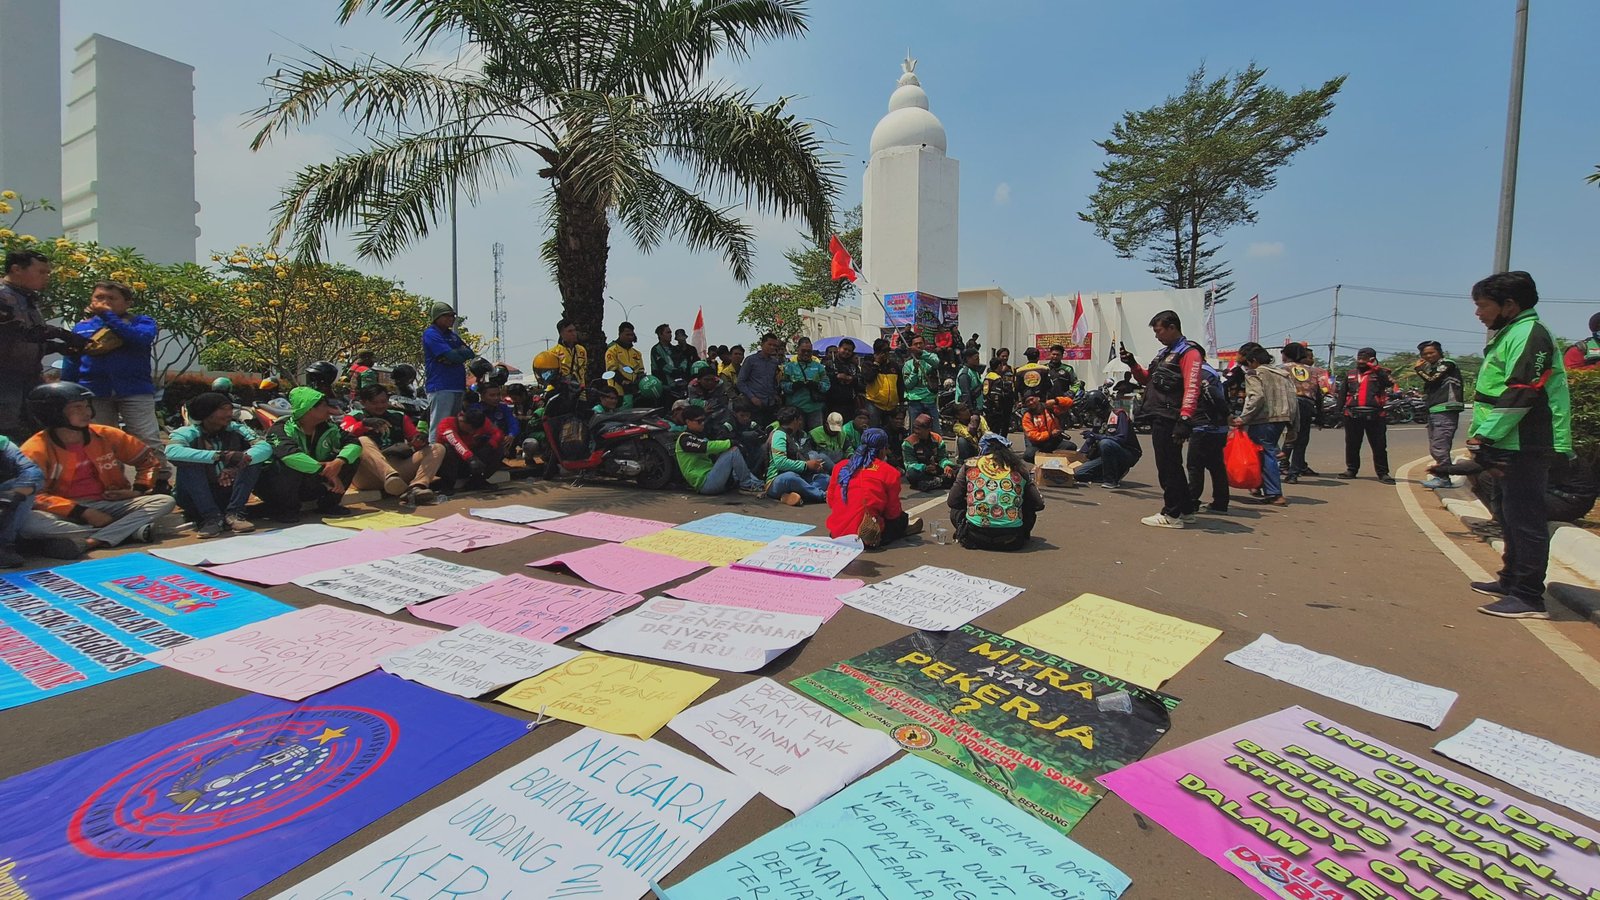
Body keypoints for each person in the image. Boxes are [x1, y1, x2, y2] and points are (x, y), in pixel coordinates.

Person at [1466, 271, 1571, 619]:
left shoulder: (1530, 334)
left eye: (1483, 305)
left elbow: (1523, 390)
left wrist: (1485, 435)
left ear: (1509, 305)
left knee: (1526, 518)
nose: (1478, 313)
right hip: (1509, 439)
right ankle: (1510, 579)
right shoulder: (1513, 332)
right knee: (1508, 513)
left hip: (1526, 441)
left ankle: (1529, 596)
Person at [18, 382, 175, 550]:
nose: (87, 412)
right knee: (29, 523)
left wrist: (138, 490)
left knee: (164, 501)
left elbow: (147, 461)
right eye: (77, 407)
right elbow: (33, 495)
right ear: (53, 412)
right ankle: (126, 532)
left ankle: (90, 541)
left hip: (110, 503)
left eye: (87, 406)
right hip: (64, 509)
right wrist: (83, 512)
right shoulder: (34, 449)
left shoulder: (106, 434)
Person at [63, 280, 170, 489]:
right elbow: (72, 360)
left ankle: (159, 480)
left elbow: (139, 339)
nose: (104, 302)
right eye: (99, 298)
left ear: (127, 303)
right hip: (94, 392)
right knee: (101, 440)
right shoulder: (82, 327)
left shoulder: (142, 322)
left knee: (146, 437)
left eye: (111, 298)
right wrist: (68, 390)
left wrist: (108, 317)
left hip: (135, 391)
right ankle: (113, 483)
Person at [1121, 310, 1204, 529]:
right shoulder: (1165, 354)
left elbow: (1192, 388)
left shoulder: (1189, 353)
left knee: (1168, 467)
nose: (1157, 336)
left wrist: (1185, 418)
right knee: (1172, 464)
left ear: (1172, 327)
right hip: (1159, 415)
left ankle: (1171, 514)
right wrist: (1132, 364)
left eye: (1159, 331)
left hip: (1171, 417)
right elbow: (1147, 380)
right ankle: (1186, 510)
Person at [1, 251, 89, 441]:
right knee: (7, 429)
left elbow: (24, 342)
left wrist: (57, 347)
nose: (46, 276)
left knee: (40, 426)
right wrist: (62, 335)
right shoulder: (3, 295)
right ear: (16, 269)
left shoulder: (26, 297)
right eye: (41, 272)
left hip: (29, 374)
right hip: (5, 377)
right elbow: (17, 331)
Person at [166, 392, 271, 537]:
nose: (229, 413)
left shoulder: (236, 428)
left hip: (227, 492)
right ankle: (211, 518)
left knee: (252, 461)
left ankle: (234, 514)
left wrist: (236, 465)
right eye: (222, 409)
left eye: (230, 409)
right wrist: (220, 456)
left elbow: (265, 447)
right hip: (194, 497)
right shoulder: (187, 432)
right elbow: (172, 451)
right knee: (190, 464)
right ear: (206, 413)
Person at [259, 386, 365, 521]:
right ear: (309, 409)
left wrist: (339, 462)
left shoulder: (329, 427)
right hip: (278, 487)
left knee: (350, 459)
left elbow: (354, 443)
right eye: (324, 406)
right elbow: (290, 456)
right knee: (284, 465)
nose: (329, 410)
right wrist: (325, 470)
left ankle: (329, 504)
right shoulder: (281, 428)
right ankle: (286, 509)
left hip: (312, 481)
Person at [342, 384, 443, 505]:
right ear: (363, 402)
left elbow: (414, 438)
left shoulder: (399, 416)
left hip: (398, 468)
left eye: (383, 402)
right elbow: (342, 435)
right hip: (367, 474)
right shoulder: (353, 416)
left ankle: (417, 487)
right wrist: (363, 424)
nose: (380, 406)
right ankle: (390, 477)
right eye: (375, 403)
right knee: (362, 441)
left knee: (437, 448)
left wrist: (420, 439)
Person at [947, 432, 1044, 551]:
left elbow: (952, 501)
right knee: (1028, 506)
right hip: (1012, 540)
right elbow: (1038, 504)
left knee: (955, 509)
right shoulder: (1019, 468)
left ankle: (964, 531)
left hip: (974, 537)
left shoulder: (970, 464)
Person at [826, 427, 917, 548]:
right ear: (883, 449)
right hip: (868, 534)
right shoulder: (889, 472)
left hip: (837, 532)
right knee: (901, 519)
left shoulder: (840, 466)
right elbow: (892, 513)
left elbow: (831, 501)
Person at [1234, 342, 1296, 506]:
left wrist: (1243, 418)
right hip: (1282, 418)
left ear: (1253, 361)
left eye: (1247, 363)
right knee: (1265, 452)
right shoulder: (1282, 374)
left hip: (1263, 420)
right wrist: (1292, 425)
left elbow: (1256, 397)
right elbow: (1293, 399)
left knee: (1266, 454)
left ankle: (1274, 493)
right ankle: (1258, 485)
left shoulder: (1255, 373)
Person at [676, 404, 764, 496]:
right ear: (688, 422)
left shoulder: (699, 437)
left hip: (712, 476)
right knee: (733, 451)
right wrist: (730, 443)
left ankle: (759, 485)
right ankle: (747, 485)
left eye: (703, 420)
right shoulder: (685, 439)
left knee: (737, 467)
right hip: (705, 483)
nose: (702, 423)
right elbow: (707, 446)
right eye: (699, 421)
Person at [1336, 347, 1394, 483]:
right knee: (1352, 444)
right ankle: (1351, 470)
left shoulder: (1380, 373)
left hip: (1375, 415)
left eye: (1364, 358)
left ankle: (1383, 473)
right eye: (1359, 358)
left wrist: (1375, 368)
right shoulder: (1350, 374)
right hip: (1352, 414)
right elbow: (1342, 394)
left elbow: (1388, 383)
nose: (1361, 361)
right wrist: (1338, 411)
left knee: (1379, 445)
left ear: (1372, 359)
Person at [1415, 340, 1466, 489]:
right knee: (1435, 446)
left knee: (1440, 446)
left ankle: (1443, 478)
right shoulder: (1434, 368)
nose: (1428, 356)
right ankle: (1441, 476)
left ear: (1439, 352)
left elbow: (1432, 380)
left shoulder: (1448, 364)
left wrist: (1419, 370)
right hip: (1435, 409)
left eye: (1431, 352)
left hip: (1445, 408)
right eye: (1424, 354)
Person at [1185, 353, 1232, 515]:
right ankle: (1220, 502)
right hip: (1216, 427)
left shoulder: (1200, 372)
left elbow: (1212, 394)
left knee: (1195, 466)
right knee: (1216, 465)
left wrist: (1225, 414)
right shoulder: (1211, 371)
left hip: (1205, 426)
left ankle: (1191, 502)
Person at [422, 302, 476, 442]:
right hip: (440, 386)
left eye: (452, 316)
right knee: (440, 424)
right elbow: (453, 356)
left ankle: (450, 453)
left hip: (457, 385)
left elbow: (470, 353)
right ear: (437, 317)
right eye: (446, 316)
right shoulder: (431, 333)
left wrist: (453, 355)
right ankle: (434, 452)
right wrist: (455, 355)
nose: (451, 318)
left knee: (454, 426)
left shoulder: (452, 335)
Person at [1279, 344, 1326, 481]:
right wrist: (1320, 415)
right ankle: (1294, 473)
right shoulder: (1314, 371)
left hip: (1286, 404)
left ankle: (1279, 467)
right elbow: (1319, 394)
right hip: (1306, 405)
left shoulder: (1281, 369)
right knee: (1301, 440)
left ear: (1286, 355)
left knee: (1283, 437)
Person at [0, 434, 47, 566]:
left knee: (26, 484)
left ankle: (4, 545)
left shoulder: (3, 444)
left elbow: (32, 471)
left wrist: (15, 495)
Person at [765, 406, 828, 505]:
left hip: (800, 476)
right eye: (799, 420)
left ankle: (793, 496)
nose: (800, 423)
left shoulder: (797, 435)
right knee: (791, 477)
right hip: (776, 481)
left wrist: (814, 466)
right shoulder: (779, 435)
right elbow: (780, 463)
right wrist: (806, 465)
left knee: (826, 479)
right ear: (795, 420)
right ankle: (822, 495)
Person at [438, 404, 505, 490]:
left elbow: (498, 433)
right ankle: (447, 484)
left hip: (472, 459)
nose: (472, 432)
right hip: (451, 463)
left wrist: (489, 446)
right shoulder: (447, 423)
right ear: (463, 421)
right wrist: (470, 458)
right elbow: (456, 443)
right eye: (471, 429)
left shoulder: (482, 423)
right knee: (447, 449)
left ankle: (478, 480)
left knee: (497, 448)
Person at [781, 336, 830, 430]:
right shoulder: (789, 367)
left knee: (816, 435)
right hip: (795, 410)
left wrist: (817, 385)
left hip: (815, 409)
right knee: (798, 436)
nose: (806, 353)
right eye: (803, 351)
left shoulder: (819, 367)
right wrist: (793, 386)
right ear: (797, 350)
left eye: (809, 351)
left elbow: (826, 385)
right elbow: (783, 385)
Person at [736, 333, 783, 427]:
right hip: (754, 404)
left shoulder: (774, 362)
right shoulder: (750, 360)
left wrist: (775, 395)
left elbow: (773, 381)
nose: (772, 347)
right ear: (762, 344)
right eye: (769, 344)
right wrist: (752, 397)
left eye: (774, 345)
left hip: (770, 404)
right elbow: (740, 382)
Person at [861, 338, 905, 440]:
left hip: (891, 406)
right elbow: (868, 378)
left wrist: (901, 401)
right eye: (882, 351)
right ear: (876, 352)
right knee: (873, 431)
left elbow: (900, 384)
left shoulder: (894, 365)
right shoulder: (868, 364)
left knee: (890, 433)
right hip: (874, 404)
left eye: (887, 351)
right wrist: (876, 364)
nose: (885, 354)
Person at [902, 413, 956, 490]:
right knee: (911, 473)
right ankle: (940, 482)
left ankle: (933, 483)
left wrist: (946, 465)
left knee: (957, 469)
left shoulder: (937, 438)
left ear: (928, 429)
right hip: (922, 471)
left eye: (919, 429)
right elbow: (909, 464)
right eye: (915, 428)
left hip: (936, 469)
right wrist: (924, 468)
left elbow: (942, 458)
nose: (916, 431)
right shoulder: (908, 443)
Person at [900, 333, 941, 425]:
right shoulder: (908, 364)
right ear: (911, 346)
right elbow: (908, 385)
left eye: (920, 343)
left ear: (924, 344)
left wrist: (921, 353)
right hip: (915, 402)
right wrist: (915, 370)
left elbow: (936, 363)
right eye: (915, 344)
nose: (918, 346)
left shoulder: (931, 357)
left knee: (935, 430)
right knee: (915, 429)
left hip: (930, 401)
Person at [1020, 393, 1069, 462]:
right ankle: (1042, 463)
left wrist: (1056, 401)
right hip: (1038, 445)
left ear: (1038, 398)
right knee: (1028, 455)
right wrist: (1049, 434)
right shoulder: (1027, 416)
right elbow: (1032, 435)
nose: (1031, 403)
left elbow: (1069, 403)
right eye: (1027, 402)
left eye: (1032, 399)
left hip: (1054, 441)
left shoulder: (1050, 408)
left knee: (1070, 447)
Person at [823, 338, 862, 420]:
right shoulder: (829, 364)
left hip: (850, 404)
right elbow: (824, 380)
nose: (846, 352)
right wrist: (836, 377)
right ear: (839, 348)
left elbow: (860, 381)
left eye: (849, 351)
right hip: (832, 404)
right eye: (845, 349)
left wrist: (851, 378)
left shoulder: (853, 366)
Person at [605, 322, 644, 403]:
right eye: (627, 334)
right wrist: (624, 382)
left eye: (631, 335)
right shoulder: (612, 351)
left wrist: (638, 384)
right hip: (617, 394)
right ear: (620, 334)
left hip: (635, 393)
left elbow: (641, 372)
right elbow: (612, 371)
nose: (630, 337)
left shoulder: (637, 353)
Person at [984, 349, 1016, 436]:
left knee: (1005, 424)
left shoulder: (1011, 369)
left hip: (1008, 400)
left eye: (1006, 356)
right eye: (1003, 356)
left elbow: (1013, 383)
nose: (1005, 358)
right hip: (997, 403)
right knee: (995, 426)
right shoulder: (992, 371)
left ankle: (1003, 440)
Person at [553, 317, 588, 383]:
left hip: (580, 388)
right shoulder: (554, 352)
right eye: (570, 331)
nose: (574, 333)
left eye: (574, 330)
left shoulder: (581, 350)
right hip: (564, 388)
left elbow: (584, 370)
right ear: (561, 334)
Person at [954, 347, 986, 414]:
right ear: (968, 358)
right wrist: (971, 411)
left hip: (978, 409)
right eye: (976, 358)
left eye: (978, 358)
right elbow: (965, 395)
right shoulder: (965, 374)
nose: (978, 360)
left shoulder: (974, 371)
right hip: (968, 411)